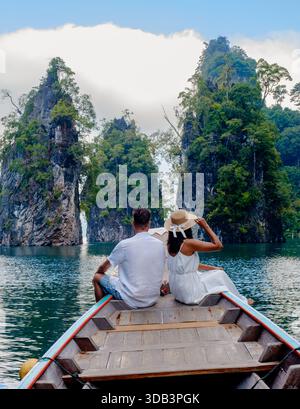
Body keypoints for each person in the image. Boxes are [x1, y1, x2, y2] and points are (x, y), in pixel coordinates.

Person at [165, 210, 249, 305]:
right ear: (187, 227)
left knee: (210, 272)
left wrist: (213, 268)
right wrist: (205, 226)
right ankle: (241, 302)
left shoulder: (170, 244)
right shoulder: (189, 243)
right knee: (220, 275)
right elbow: (218, 245)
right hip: (190, 294)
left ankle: (239, 300)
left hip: (178, 292)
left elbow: (188, 265)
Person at [92, 208, 165, 309]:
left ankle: (101, 311)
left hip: (132, 300)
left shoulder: (124, 245)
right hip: (152, 299)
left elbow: (103, 268)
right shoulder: (160, 244)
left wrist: (100, 272)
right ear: (149, 224)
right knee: (118, 280)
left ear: (133, 224)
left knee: (97, 277)